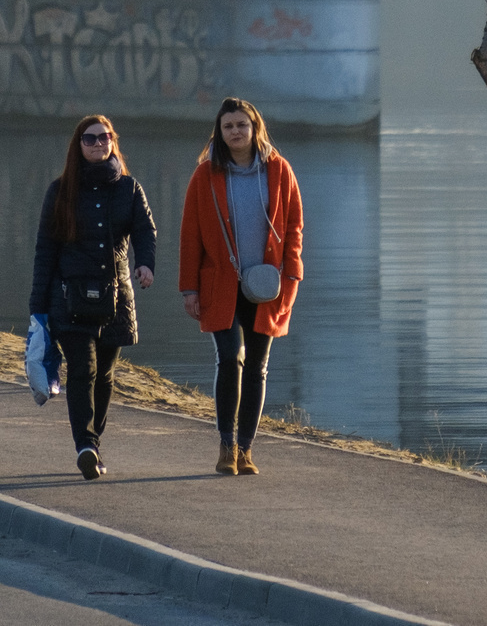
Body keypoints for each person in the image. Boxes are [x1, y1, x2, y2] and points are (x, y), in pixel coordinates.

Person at [178, 97, 303, 477]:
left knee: (258, 367)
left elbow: (295, 225)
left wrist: (292, 274)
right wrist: (189, 288)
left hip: (268, 285)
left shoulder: (279, 171)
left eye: (242, 125)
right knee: (231, 356)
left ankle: (246, 449)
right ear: (220, 131)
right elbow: (191, 234)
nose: (235, 131)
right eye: (228, 126)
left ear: (255, 128)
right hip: (220, 284)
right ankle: (226, 444)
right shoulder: (205, 175)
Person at [30, 115, 157, 480]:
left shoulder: (130, 189)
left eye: (105, 138)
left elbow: (146, 230)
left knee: (105, 375)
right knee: (83, 370)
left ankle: (92, 443)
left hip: (115, 297)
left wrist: (145, 264)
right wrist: (38, 307)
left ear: (113, 142)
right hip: (68, 298)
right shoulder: (60, 191)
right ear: (78, 145)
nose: (99, 144)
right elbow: (45, 250)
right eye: (90, 139)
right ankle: (85, 445)